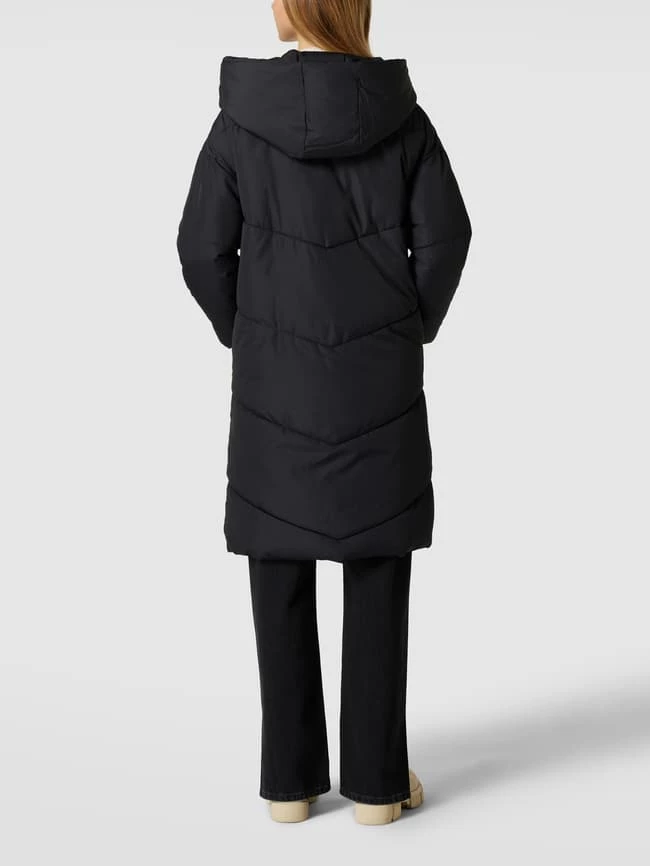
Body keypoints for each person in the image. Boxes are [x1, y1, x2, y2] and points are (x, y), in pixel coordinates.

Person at [176, 0, 472, 825]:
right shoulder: (404, 122)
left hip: (275, 387)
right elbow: (448, 237)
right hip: (379, 384)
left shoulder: (238, 125)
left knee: (278, 560)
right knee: (377, 563)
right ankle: (377, 787)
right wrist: (408, 327)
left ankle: (290, 785)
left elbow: (200, 249)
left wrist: (250, 332)